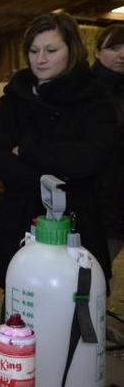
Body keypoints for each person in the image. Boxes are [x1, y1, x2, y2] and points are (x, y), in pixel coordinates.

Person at [0, 12, 117, 289]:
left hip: (76, 224)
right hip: (20, 220)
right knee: (19, 307)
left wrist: (28, 150)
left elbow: (89, 159)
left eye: (51, 50)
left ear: (72, 50)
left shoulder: (94, 99)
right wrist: (57, 172)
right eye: (33, 50)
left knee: (72, 303)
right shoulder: (15, 98)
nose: (40, 59)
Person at [92, 24, 124, 262]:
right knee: (95, 273)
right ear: (97, 52)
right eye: (114, 48)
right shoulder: (86, 91)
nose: (122, 54)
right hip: (99, 201)